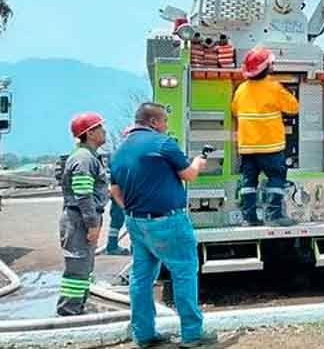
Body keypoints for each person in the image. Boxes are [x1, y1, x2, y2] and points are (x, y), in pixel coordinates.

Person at [110, 103, 216, 348]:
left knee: (141, 278)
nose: (166, 126)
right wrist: (198, 163)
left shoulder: (119, 150)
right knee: (184, 272)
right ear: (154, 122)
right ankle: (192, 335)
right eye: (164, 121)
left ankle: (143, 334)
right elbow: (188, 175)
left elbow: (114, 190)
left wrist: (131, 210)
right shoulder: (162, 143)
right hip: (168, 221)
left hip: (136, 222)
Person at [231, 46, 300, 227]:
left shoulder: (241, 89)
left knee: (248, 181)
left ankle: (249, 218)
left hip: (247, 147)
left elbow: (234, 110)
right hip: (270, 146)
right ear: (267, 67)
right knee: (276, 177)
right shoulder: (273, 88)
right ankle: (274, 215)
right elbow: (293, 107)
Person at [56, 112, 110, 316]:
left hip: (82, 218)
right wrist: (92, 224)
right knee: (77, 269)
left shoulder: (89, 157)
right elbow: (83, 195)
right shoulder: (83, 159)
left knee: (83, 268)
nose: (104, 132)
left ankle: (76, 309)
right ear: (90, 133)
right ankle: (68, 313)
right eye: (100, 128)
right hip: (80, 219)